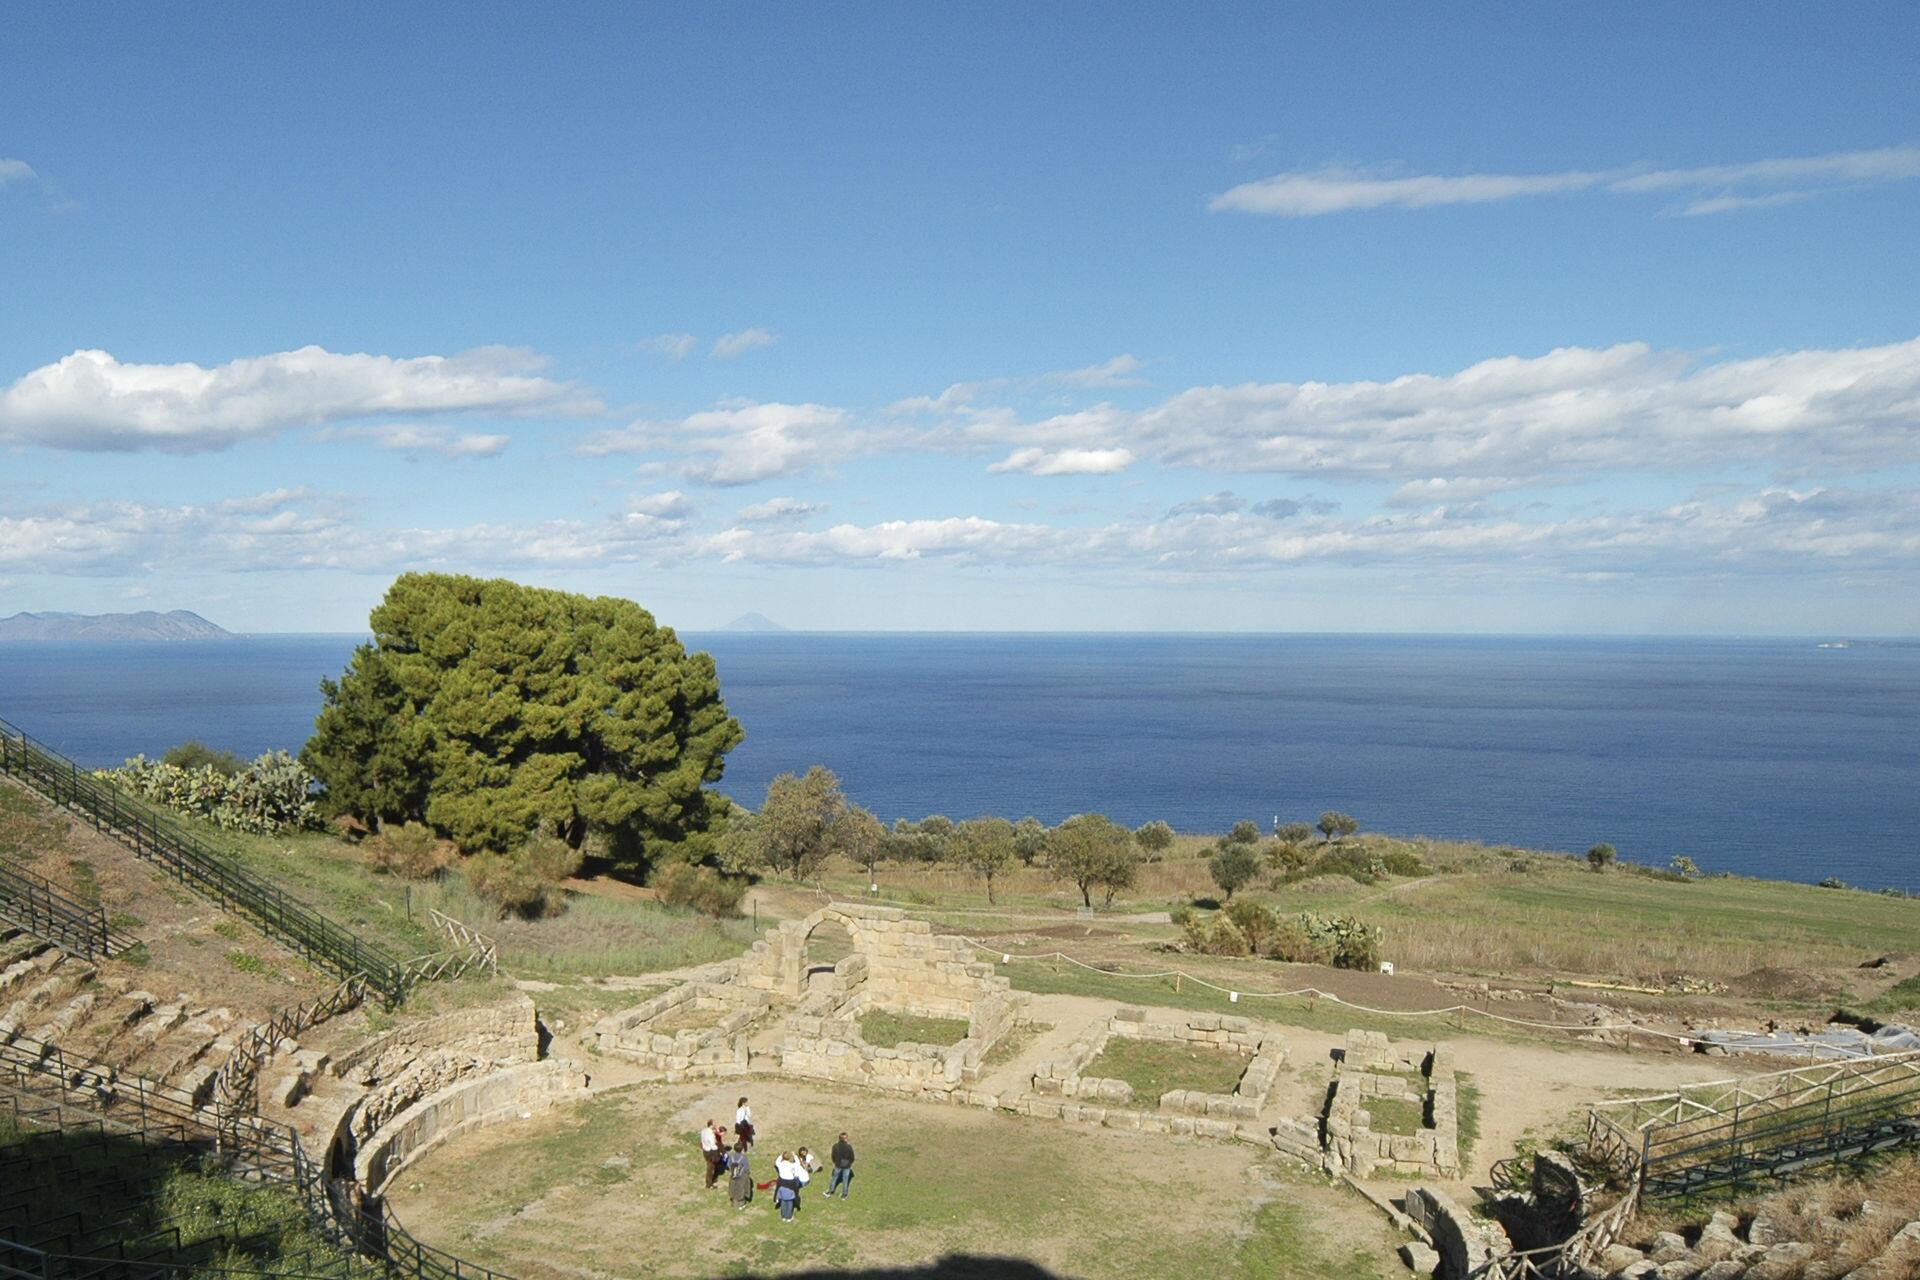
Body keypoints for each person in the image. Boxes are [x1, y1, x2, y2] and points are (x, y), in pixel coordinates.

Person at [726, 1138, 753, 1209]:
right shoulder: (743, 1157)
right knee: (741, 1188)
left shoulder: (731, 1156)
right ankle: (741, 1204)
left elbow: (728, 1165)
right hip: (741, 1175)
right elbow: (746, 1167)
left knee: (733, 1187)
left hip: (733, 1175)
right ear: (741, 1149)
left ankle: (734, 1202)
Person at [826, 1132, 854, 1199]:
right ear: (845, 1139)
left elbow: (833, 1156)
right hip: (847, 1166)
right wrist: (849, 1163)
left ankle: (830, 1191)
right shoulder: (849, 1147)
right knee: (845, 1180)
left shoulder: (835, 1146)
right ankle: (844, 1195)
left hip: (838, 1165)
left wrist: (835, 1162)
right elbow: (852, 1157)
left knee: (834, 1178)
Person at [699, 1121, 724, 1189]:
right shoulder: (711, 1135)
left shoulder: (704, 1131)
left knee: (710, 1165)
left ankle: (712, 1179)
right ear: (711, 1125)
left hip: (705, 1150)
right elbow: (713, 1145)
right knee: (711, 1168)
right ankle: (709, 1184)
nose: (715, 1125)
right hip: (711, 1152)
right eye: (714, 1124)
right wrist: (718, 1150)